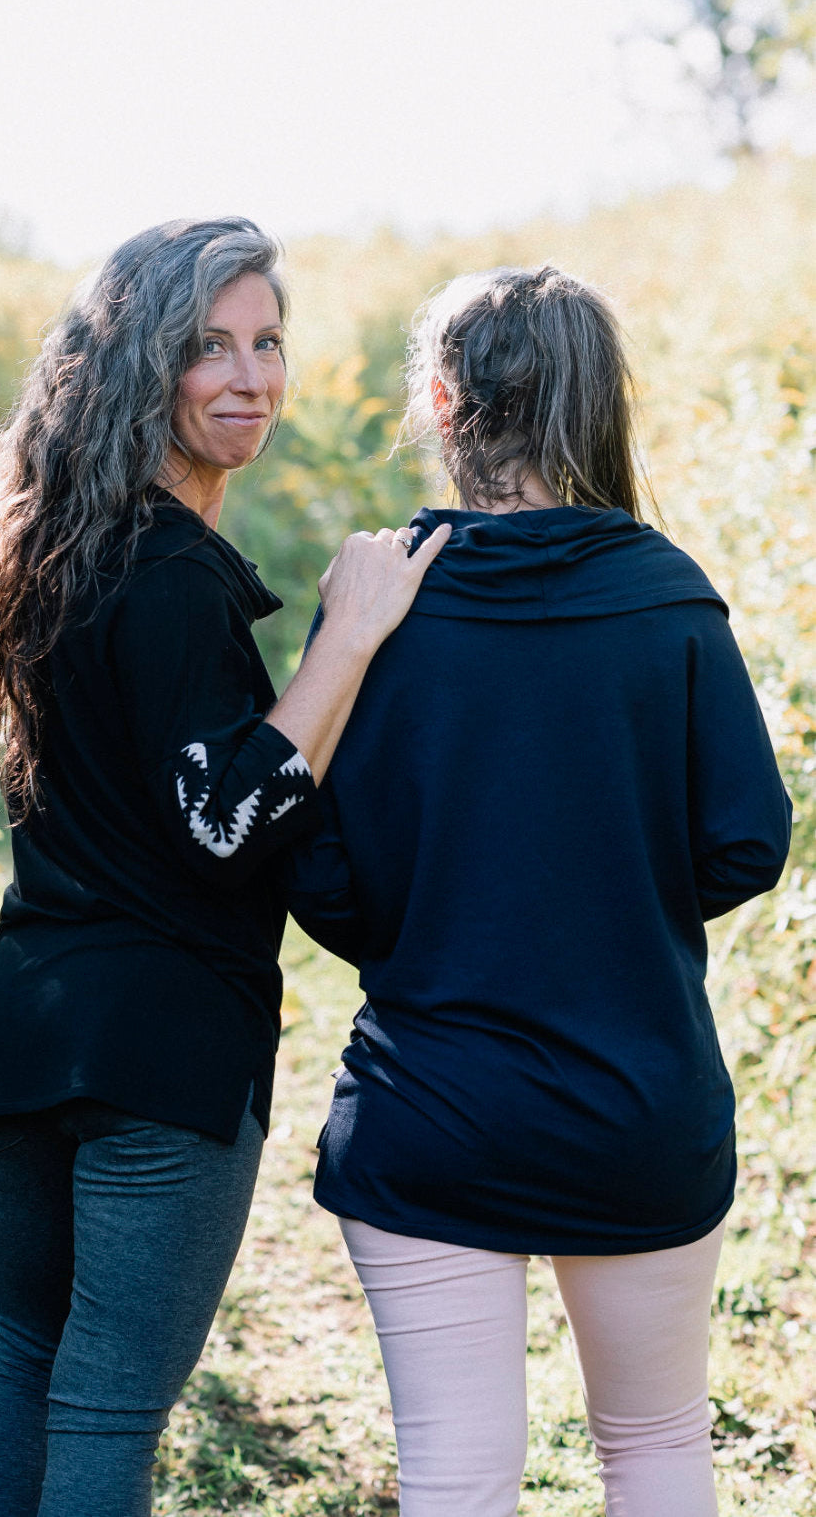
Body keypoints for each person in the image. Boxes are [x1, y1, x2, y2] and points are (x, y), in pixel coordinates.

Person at [0, 215, 450, 1517]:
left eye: (268, 341)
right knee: (105, 1406)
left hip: (35, 1023)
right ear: (139, 366)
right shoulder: (169, 573)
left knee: (32, 1370)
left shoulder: (54, 551)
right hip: (156, 1051)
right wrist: (352, 632)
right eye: (208, 346)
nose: (251, 374)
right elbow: (225, 822)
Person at [288, 265, 793, 1517]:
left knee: (456, 1479)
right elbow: (747, 842)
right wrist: (605, 895)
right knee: (660, 1446)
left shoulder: (377, 600)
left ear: (443, 402)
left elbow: (315, 864)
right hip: (639, 1105)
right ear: (597, 407)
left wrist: (426, 923)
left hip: (428, 1109)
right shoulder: (668, 597)